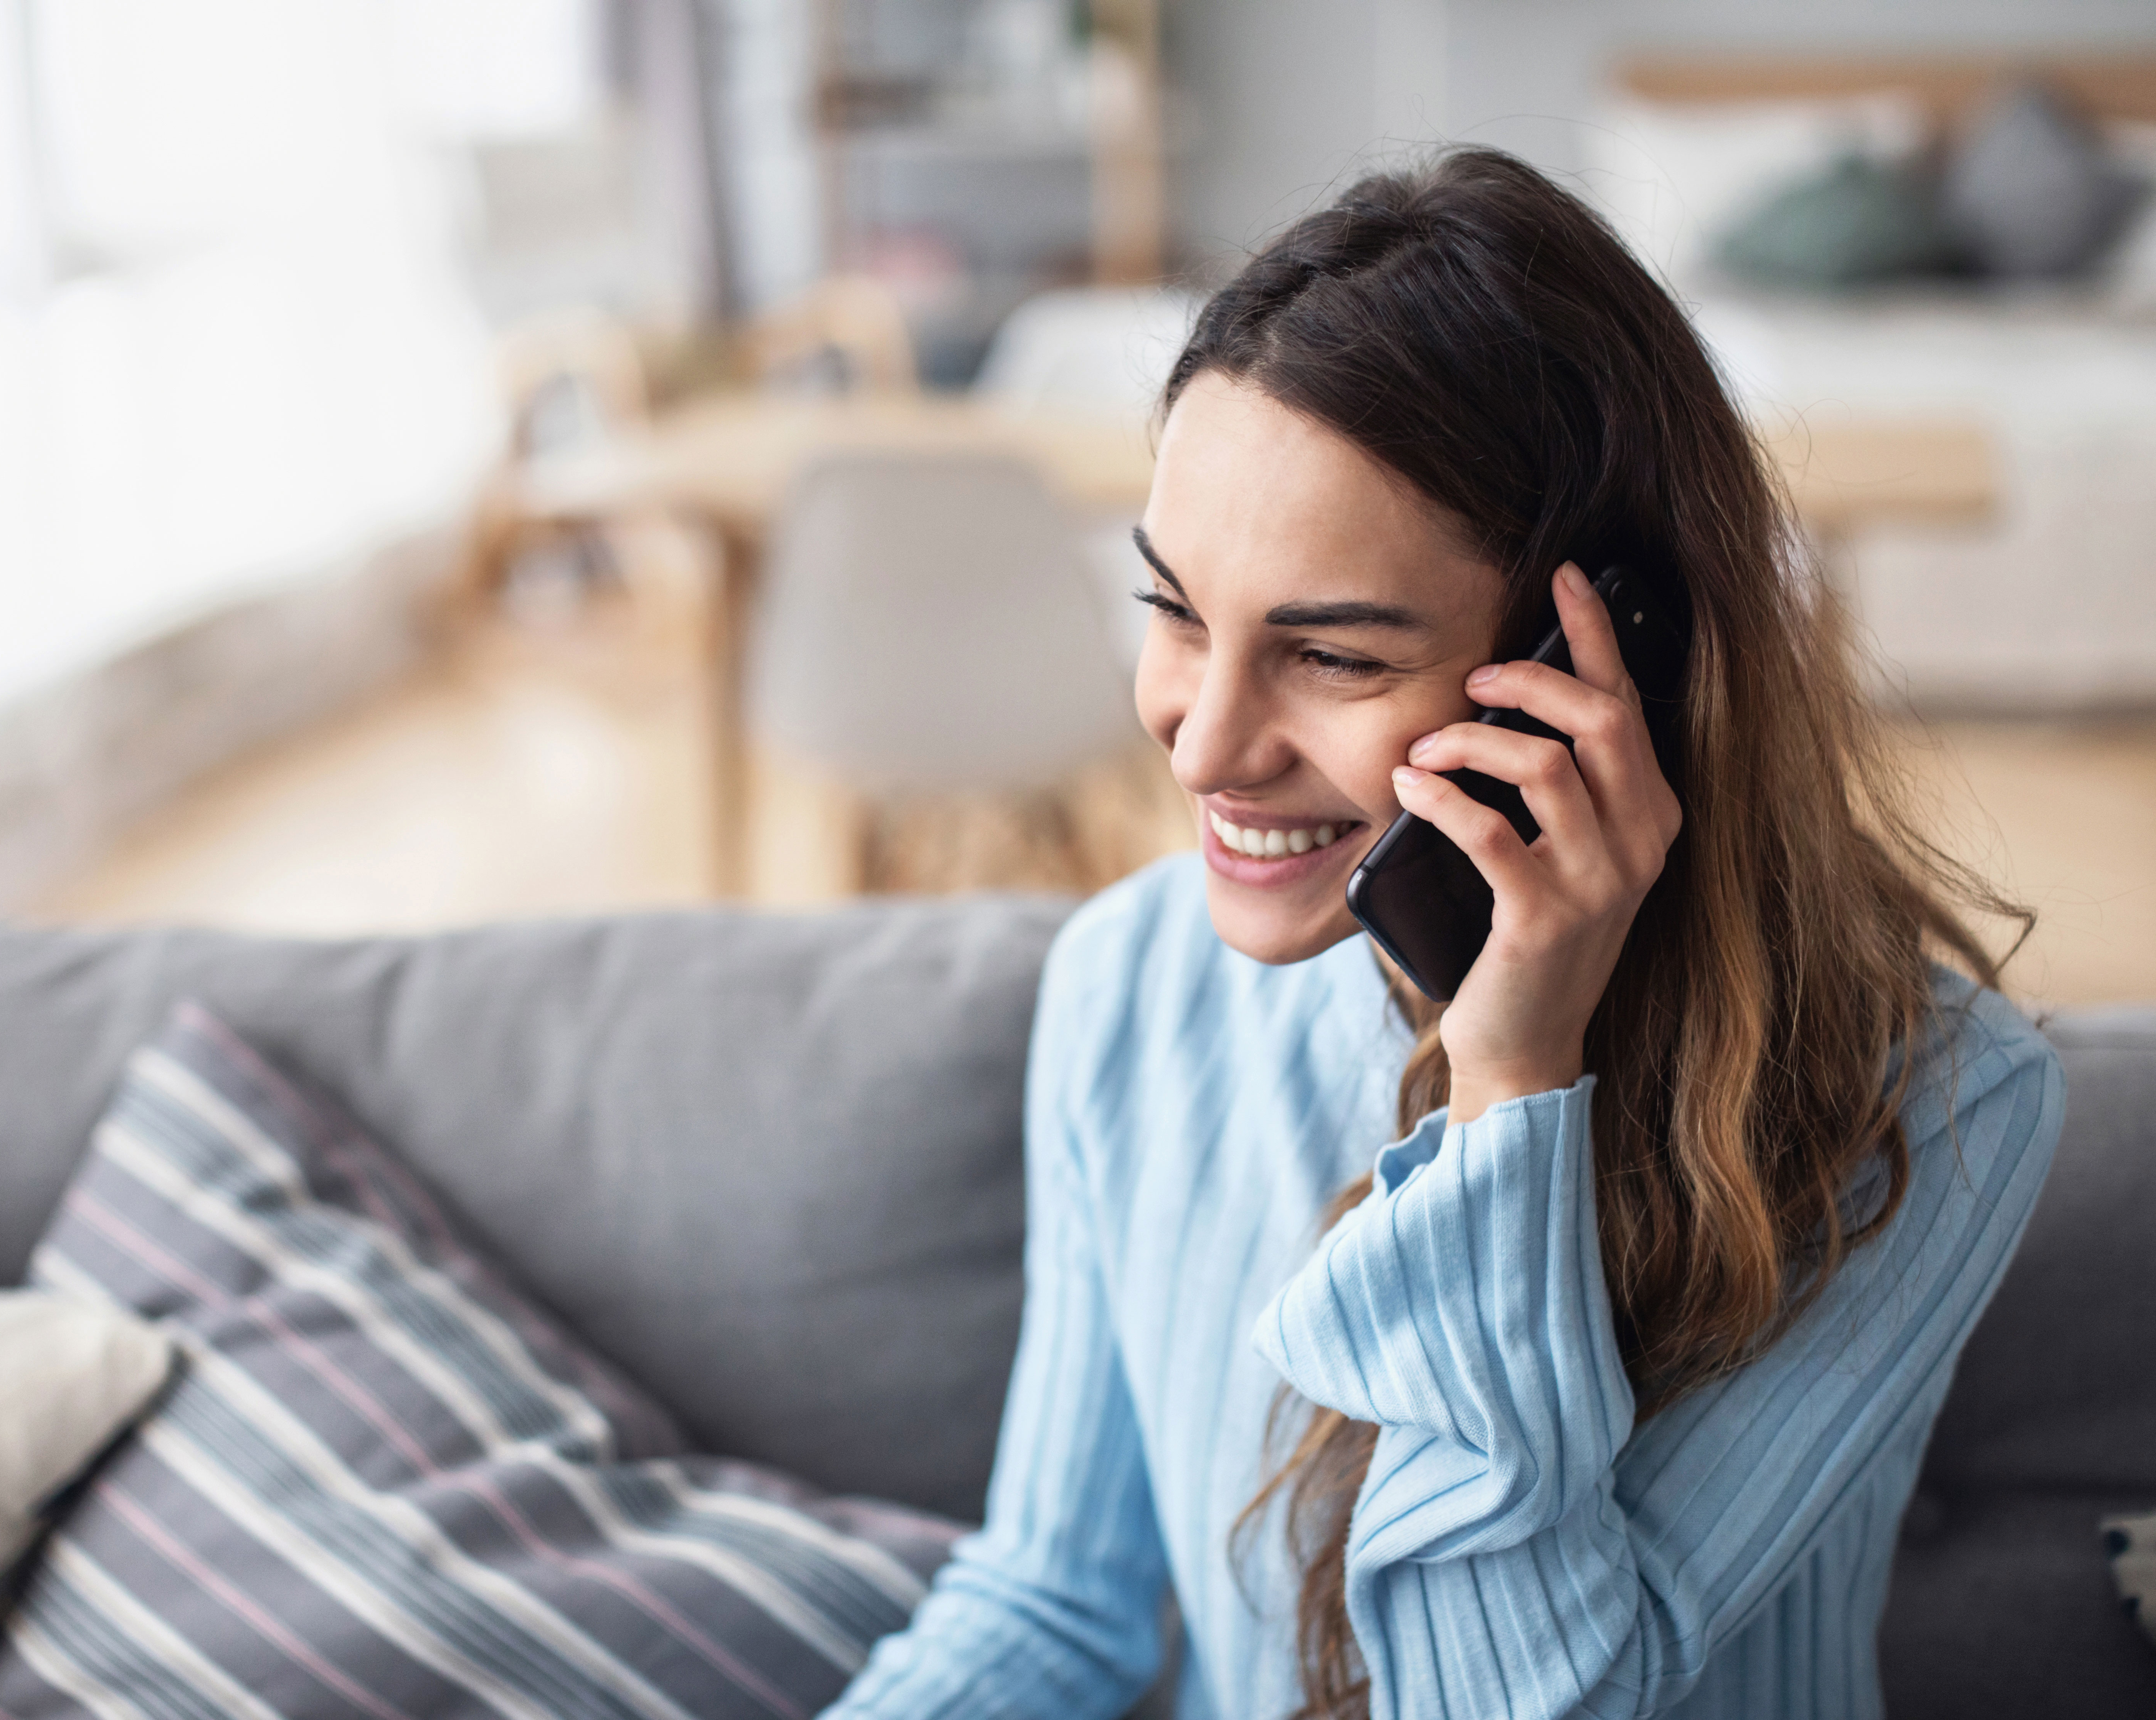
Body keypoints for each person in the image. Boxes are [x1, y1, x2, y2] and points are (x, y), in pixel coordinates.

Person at [821, 149, 2063, 1720]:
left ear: (1606, 668)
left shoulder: (1942, 1102)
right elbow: (1053, 1602)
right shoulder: (1128, 985)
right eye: (1177, 610)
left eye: (1328, 656)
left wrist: (1512, 1089)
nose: (1201, 745)